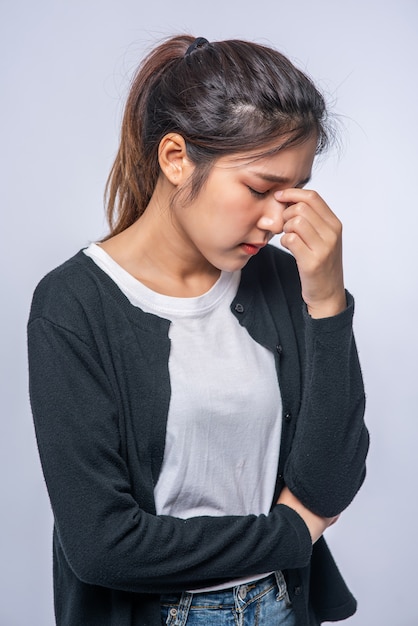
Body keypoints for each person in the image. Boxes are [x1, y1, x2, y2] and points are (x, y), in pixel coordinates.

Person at [28, 34, 369, 626]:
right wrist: (288, 535)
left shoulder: (284, 280)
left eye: (293, 192)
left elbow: (333, 478)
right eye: (260, 188)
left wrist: (328, 301)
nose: (275, 219)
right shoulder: (74, 305)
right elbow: (103, 546)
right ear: (176, 158)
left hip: (281, 607)